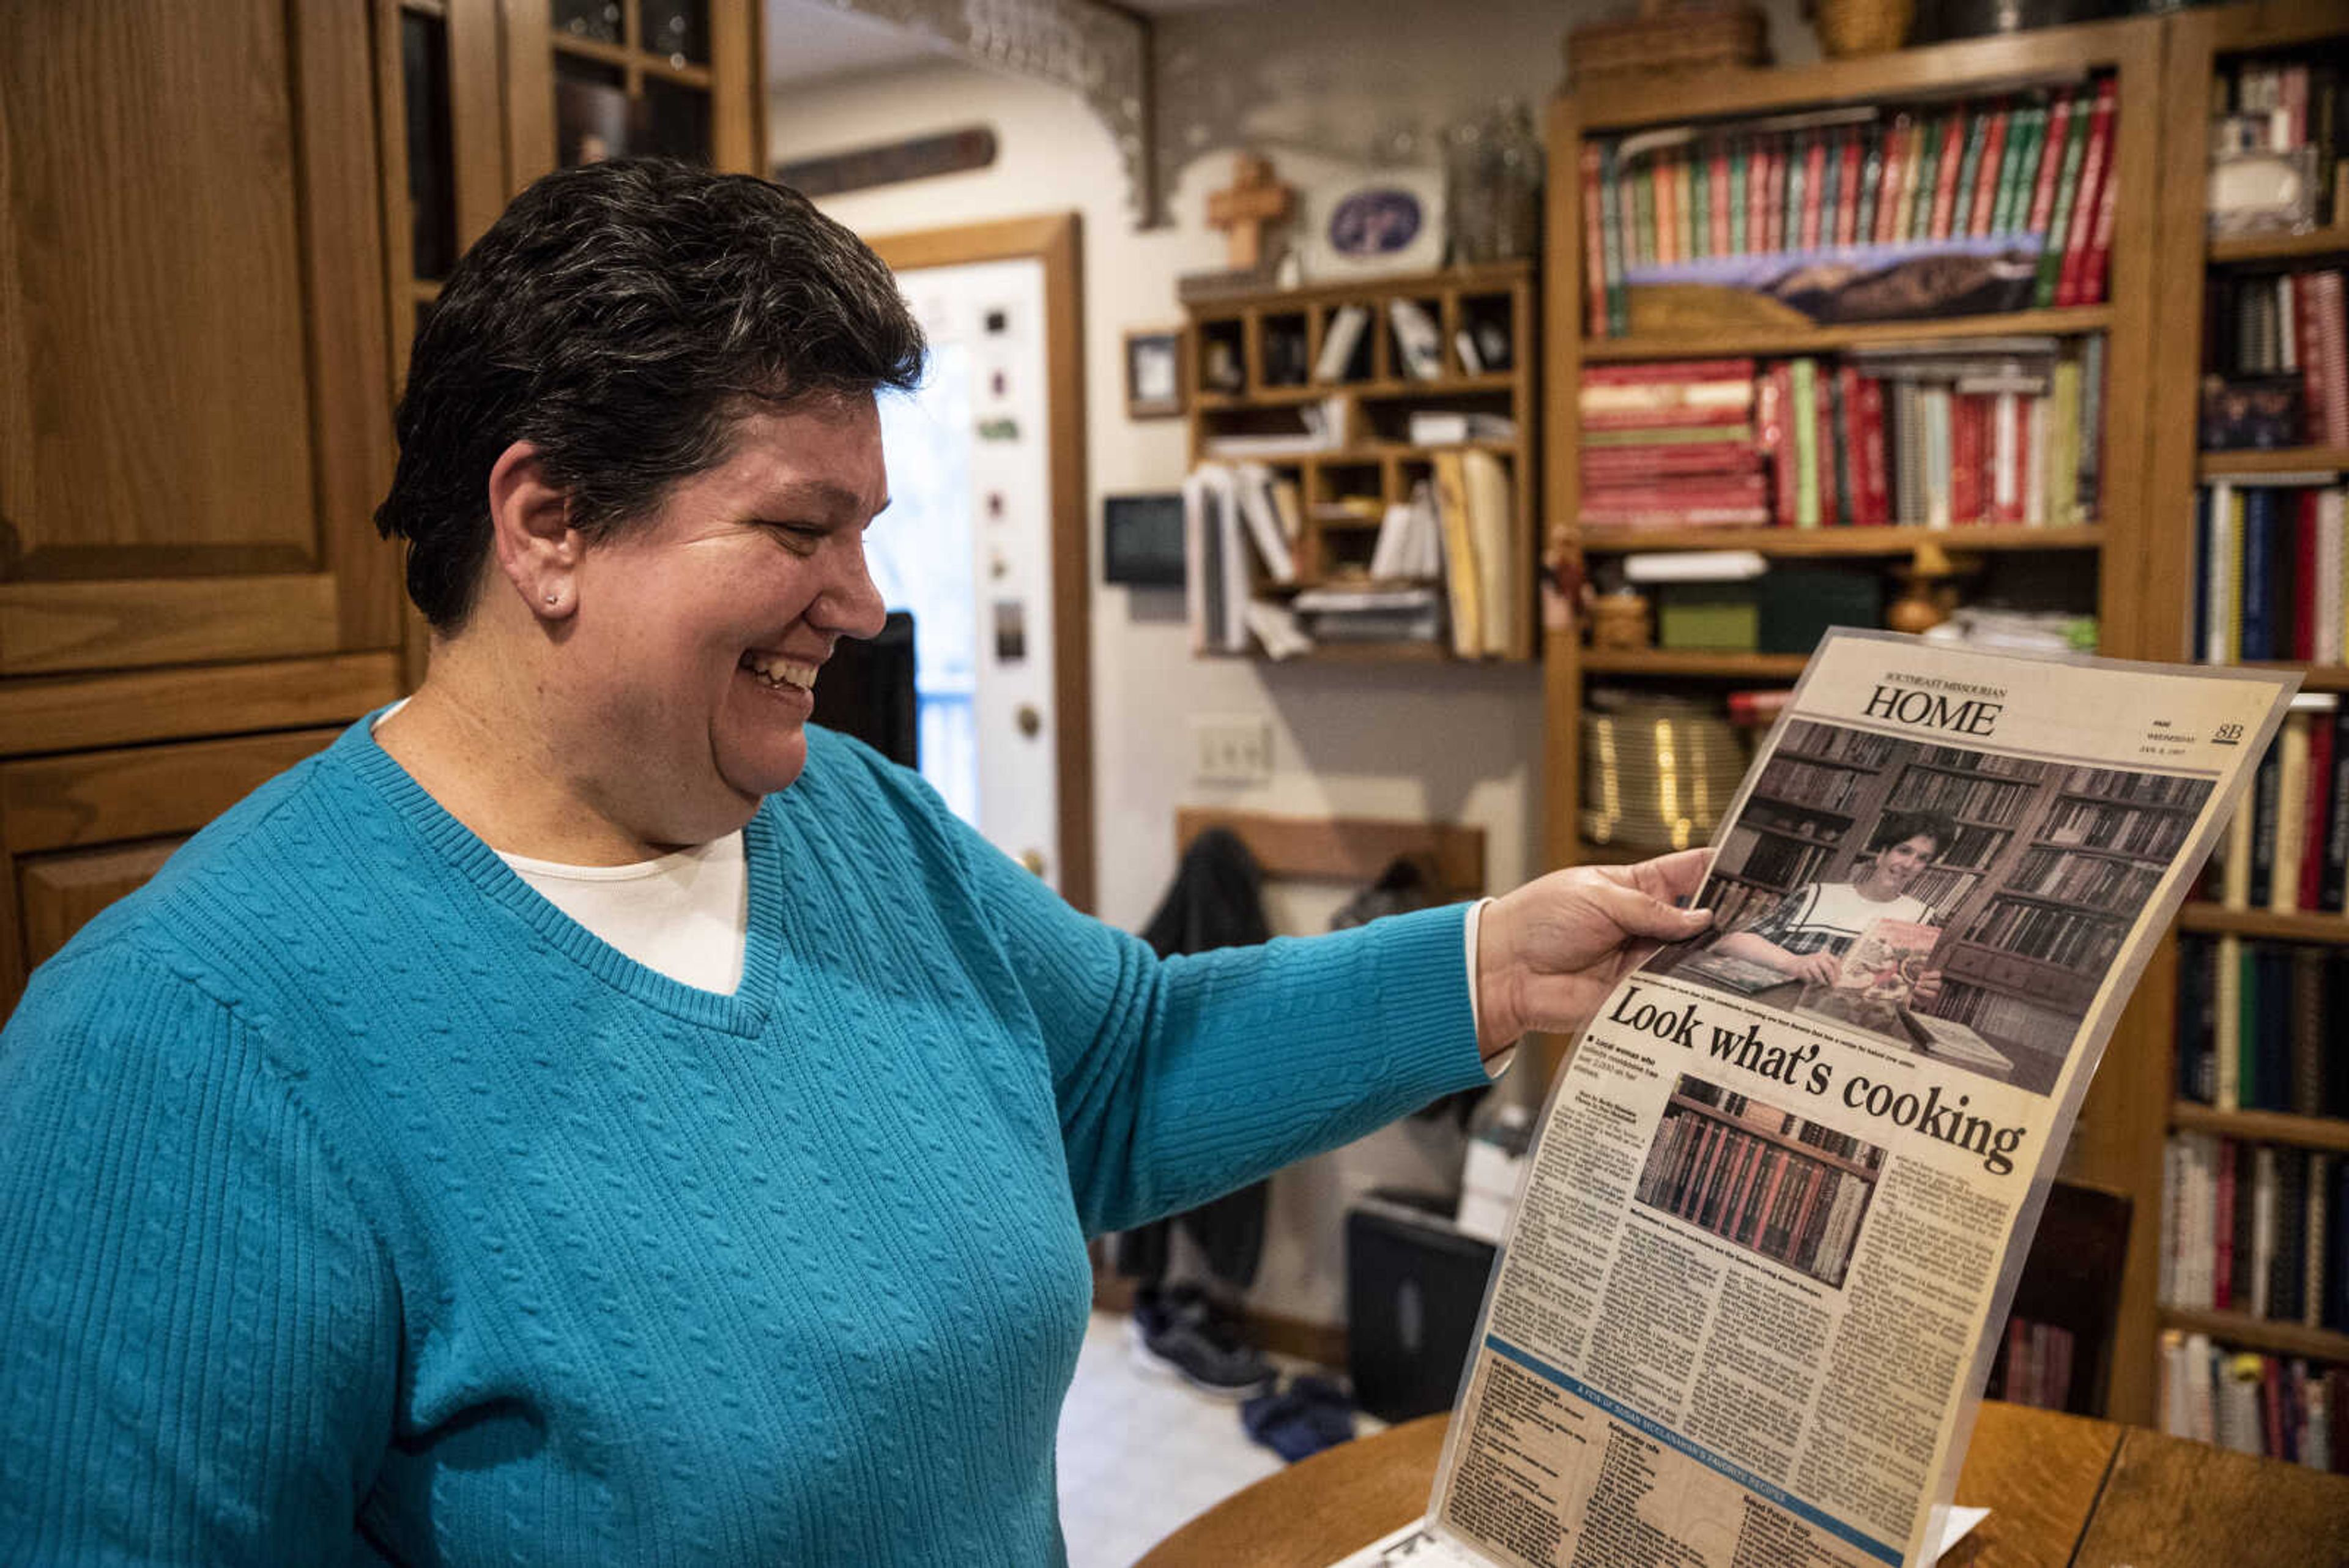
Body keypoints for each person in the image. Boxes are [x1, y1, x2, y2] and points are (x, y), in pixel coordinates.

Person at [0, 160, 1712, 1566]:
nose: (867, 603)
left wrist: (1496, 961)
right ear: (548, 525)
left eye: (867, 530)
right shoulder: (181, 1043)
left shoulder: (851, 821)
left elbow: (1115, 1074)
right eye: (798, 528)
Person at [1705, 808, 1954, 1003]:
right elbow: (1730, 943)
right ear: (1882, 854)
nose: (1909, 864)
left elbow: (1898, 999)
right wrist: (1793, 963)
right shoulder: (1815, 895)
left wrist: (1918, 993)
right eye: (1904, 851)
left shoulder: (1922, 919)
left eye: (1922, 859)